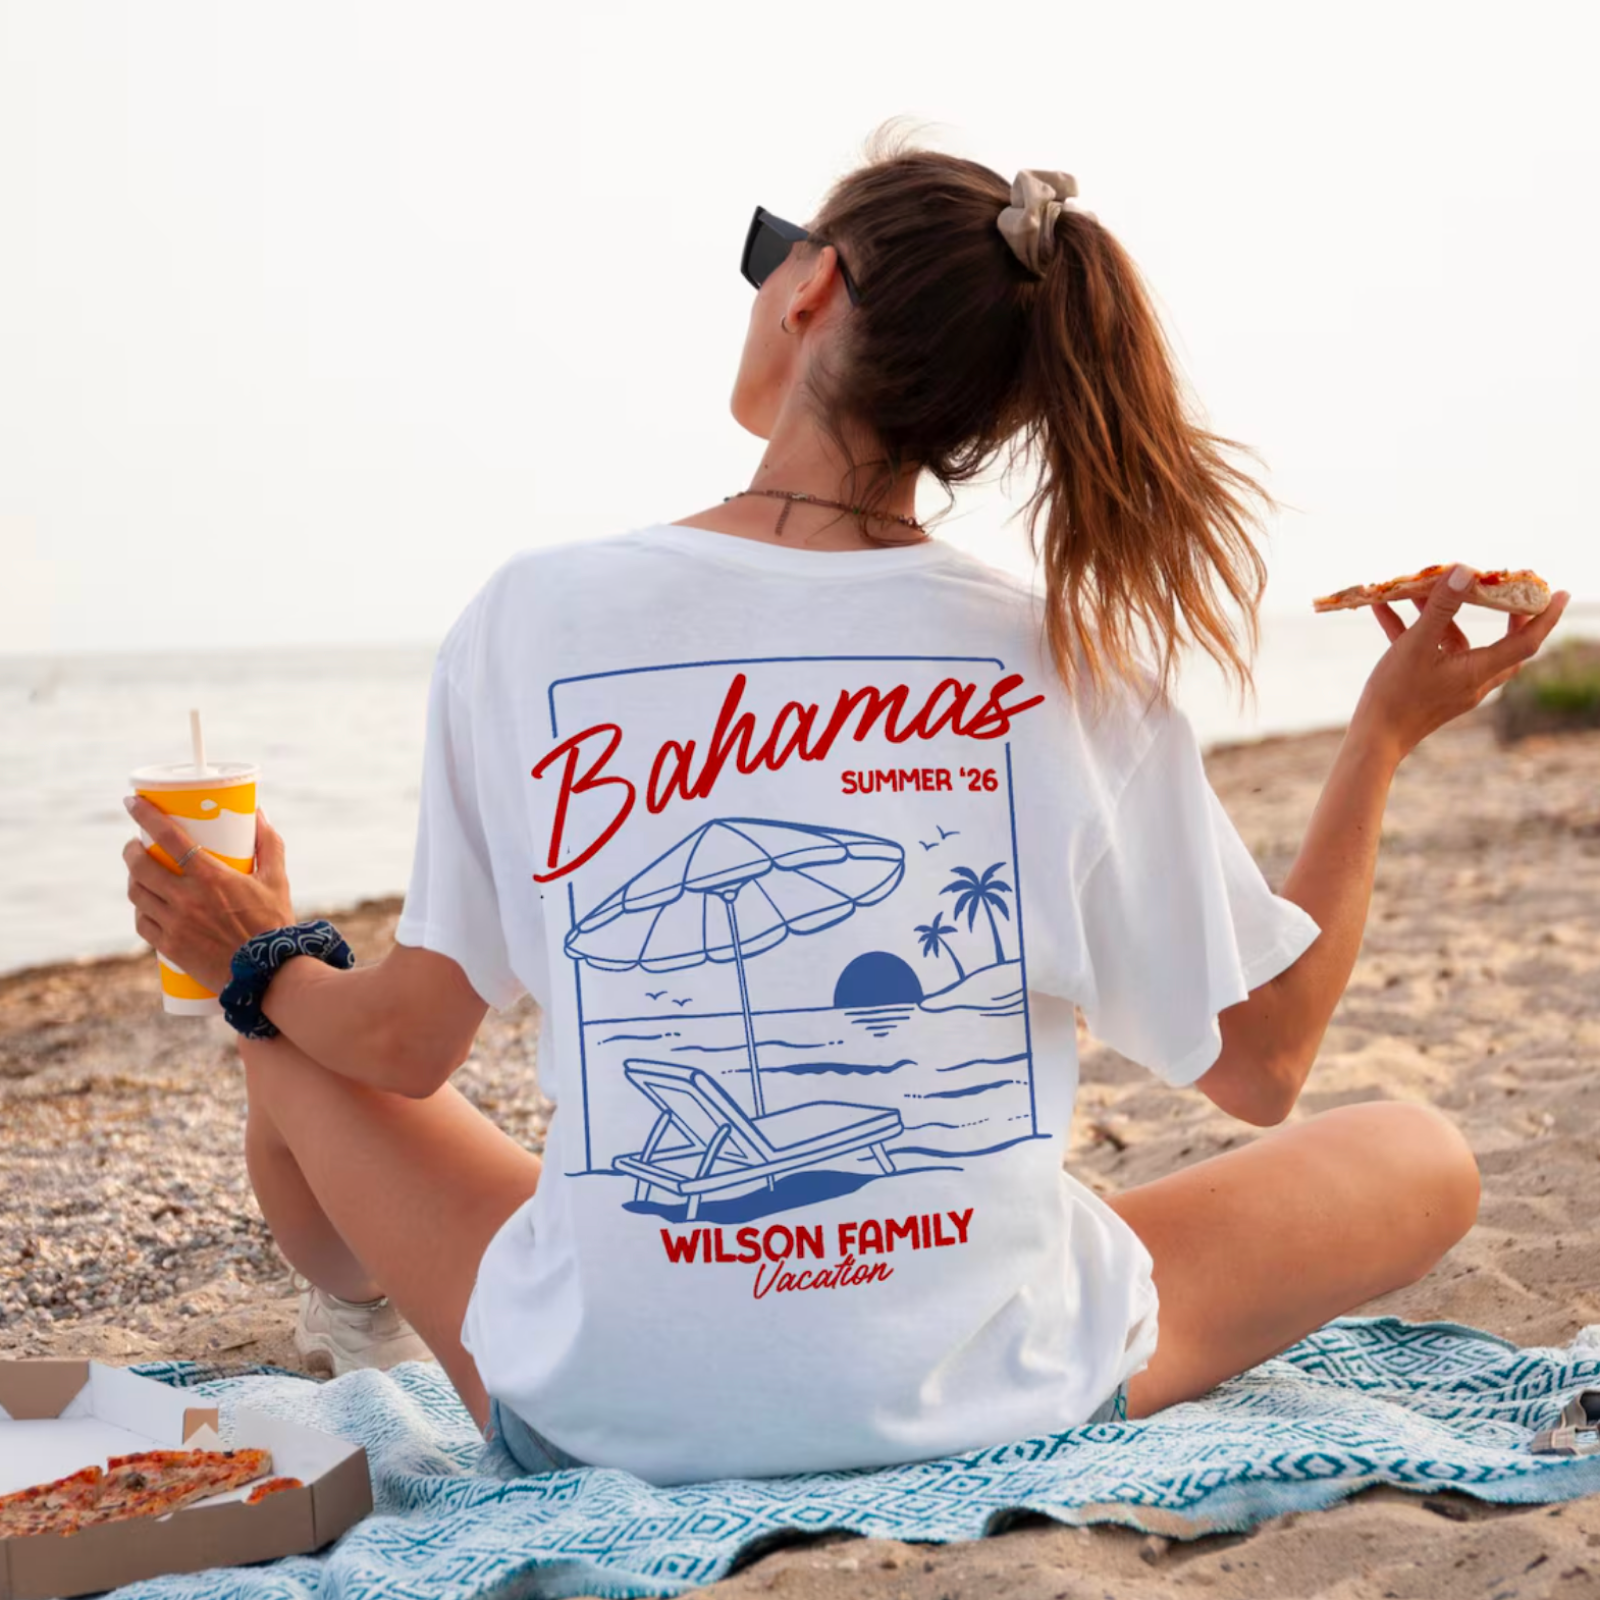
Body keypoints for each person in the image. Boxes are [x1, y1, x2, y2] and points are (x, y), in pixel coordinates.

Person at [120, 127, 1570, 1486]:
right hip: (1002, 1395)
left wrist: (257, 945)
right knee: (1420, 1157)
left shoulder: (534, 614)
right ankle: (941, 1308)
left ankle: (366, 1316)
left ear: (811, 287)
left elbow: (404, 1046)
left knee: (289, 1050)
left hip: (599, 1408)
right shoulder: (1070, 654)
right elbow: (1266, 1064)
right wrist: (1381, 737)